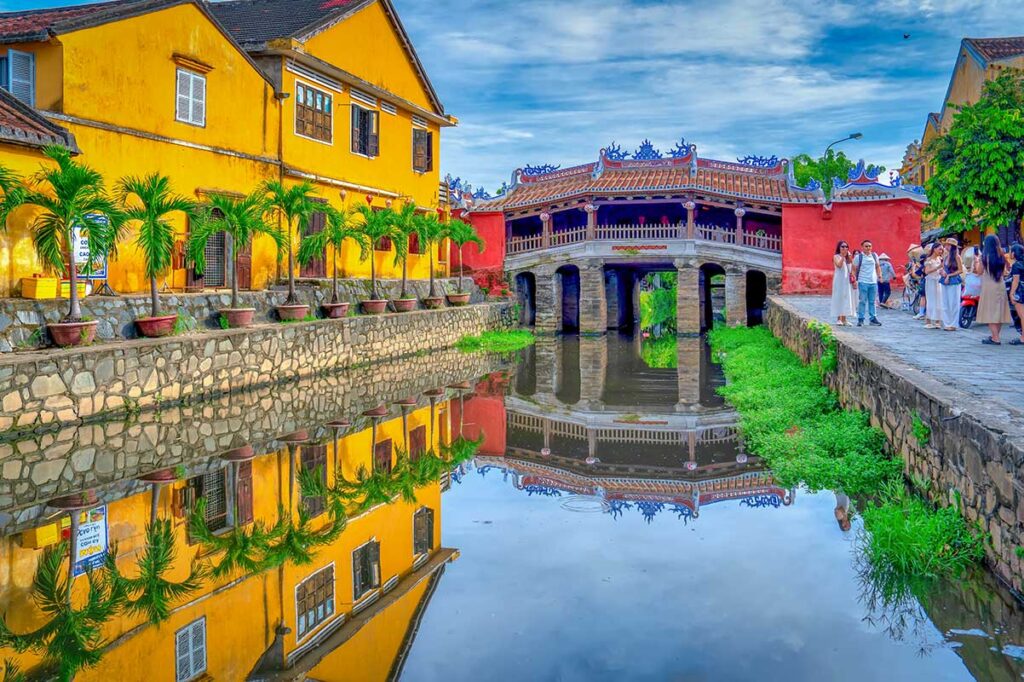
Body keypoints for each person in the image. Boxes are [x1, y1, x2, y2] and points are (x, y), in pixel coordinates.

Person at [975, 233, 1012, 345]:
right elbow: (1006, 271)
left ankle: (995, 338)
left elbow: (979, 271)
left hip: (989, 286)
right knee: (998, 312)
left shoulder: (984, 257)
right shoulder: (1001, 255)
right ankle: (995, 336)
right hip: (1000, 284)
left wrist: (977, 261)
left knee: (990, 312)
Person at [852, 239, 882, 326]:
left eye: (869, 246)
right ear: (862, 247)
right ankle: (861, 319)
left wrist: (880, 275)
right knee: (862, 301)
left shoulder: (874, 255)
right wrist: (854, 280)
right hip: (863, 281)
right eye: (866, 246)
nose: (868, 248)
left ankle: (873, 318)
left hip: (873, 282)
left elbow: (877, 266)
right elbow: (854, 269)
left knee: (872, 301)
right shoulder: (858, 257)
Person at [939, 238, 964, 331]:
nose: (946, 246)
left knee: (953, 303)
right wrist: (942, 272)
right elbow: (943, 268)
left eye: (948, 245)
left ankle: (953, 324)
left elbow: (960, 270)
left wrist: (949, 275)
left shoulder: (957, 257)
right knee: (945, 302)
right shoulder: (946, 257)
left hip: (953, 281)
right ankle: (946, 323)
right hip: (945, 280)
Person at [830, 240, 854, 326]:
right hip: (839, 280)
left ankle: (844, 319)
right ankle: (838, 319)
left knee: (846, 298)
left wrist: (849, 257)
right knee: (839, 298)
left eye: (846, 247)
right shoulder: (836, 256)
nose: (845, 248)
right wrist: (843, 257)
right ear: (839, 248)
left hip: (846, 280)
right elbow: (839, 266)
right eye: (843, 246)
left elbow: (852, 267)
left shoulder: (848, 257)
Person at [923, 243, 945, 329]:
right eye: (939, 249)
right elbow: (927, 271)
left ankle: (937, 321)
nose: (941, 251)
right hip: (931, 281)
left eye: (942, 249)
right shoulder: (929, 259)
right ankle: (928, 320)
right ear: (934, 249)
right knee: (931, 300)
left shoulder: (940, 259)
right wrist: (938, 267)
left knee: (939, 300)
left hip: (938, 281)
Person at [1009, 243, 1024, 346]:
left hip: (1020, 291)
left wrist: (1012, 293)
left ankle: (1023, 338)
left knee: (1022, 315)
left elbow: (1016, 280)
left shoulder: (1016, 265)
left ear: (1013, 253)